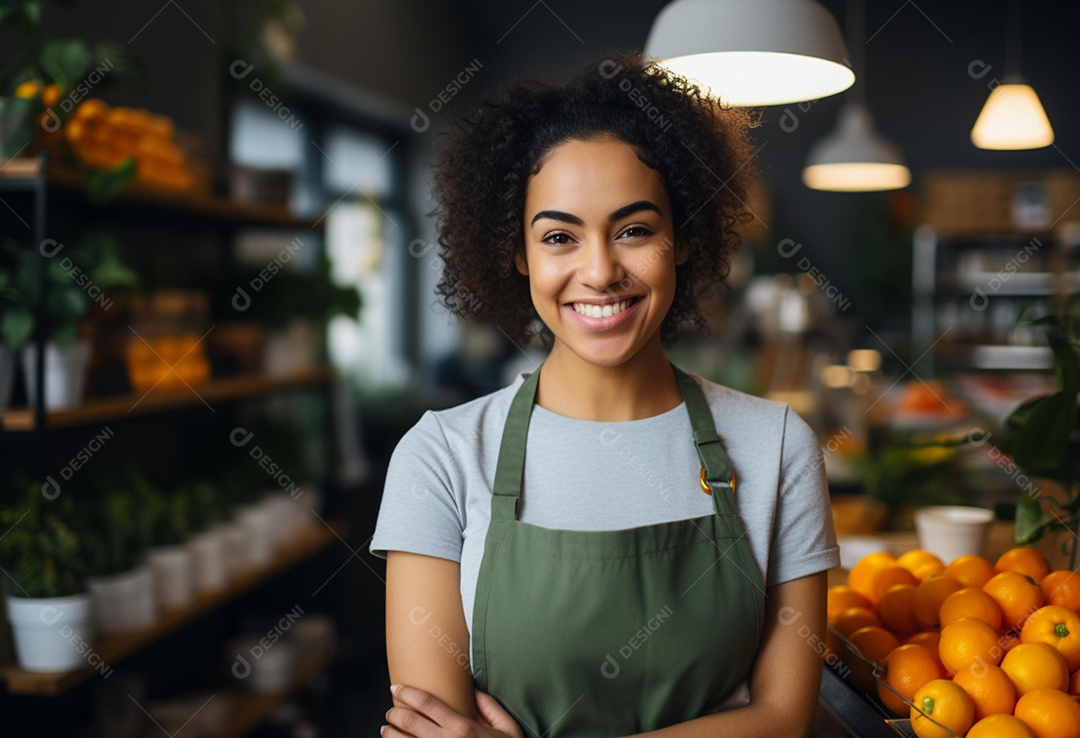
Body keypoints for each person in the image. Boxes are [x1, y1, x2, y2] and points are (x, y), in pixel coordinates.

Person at [370, 51, 839, 738]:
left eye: (634, 230)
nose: (599, 271)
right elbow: (430, 727)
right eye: (559, 236)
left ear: (683, 239)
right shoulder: (439, 457)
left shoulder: (776, 446)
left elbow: (782, 720)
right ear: (517, 255)